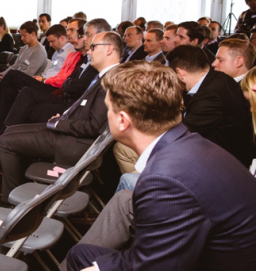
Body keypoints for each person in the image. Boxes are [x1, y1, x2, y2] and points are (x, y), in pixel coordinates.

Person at [65, 61, 256, 271]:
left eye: (108, 108)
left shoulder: (164, 179)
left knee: (84, 260)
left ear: (122, 120)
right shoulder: (191, 143)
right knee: (80, 253)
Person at [0, 31, 121, 198]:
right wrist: (62, 118)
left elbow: (94, 127)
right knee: (9, 132)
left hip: (74, 142)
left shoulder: (110, 81)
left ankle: (14, 201)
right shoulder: (104, 77)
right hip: (69, 131)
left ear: (109, 49)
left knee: (4, 142)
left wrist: (60, 123)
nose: (89, 51)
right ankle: (21, 193)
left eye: (93, 47)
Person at [0, 20, 84, 153]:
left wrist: (45, 80)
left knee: (13, 76)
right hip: (46, 81)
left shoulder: (70, 52)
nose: (49, 45)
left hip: (51, 86)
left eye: (72, 30)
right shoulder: (60, 52)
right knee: (8, 91)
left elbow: (64, 78)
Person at [167, 45, 253, 167]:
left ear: (180, 73)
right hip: (218, 157)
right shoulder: (220, 78)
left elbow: (180, 136)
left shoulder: (209, 96)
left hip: (222, 167)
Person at [0, 21, 47, 98]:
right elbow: (15, 66)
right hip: (13, 78)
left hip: (23, 83)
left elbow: (30, 74)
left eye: (24, 36)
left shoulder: (39, 51)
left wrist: (9, 78)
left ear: (33, 34)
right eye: (21, 35)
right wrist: (2, 75)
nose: (21, 38)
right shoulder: (23, 49)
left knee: (4, 87)